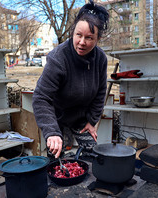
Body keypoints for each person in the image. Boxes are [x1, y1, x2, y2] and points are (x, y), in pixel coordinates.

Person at [32, 0, 109, 159]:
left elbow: (101, 92)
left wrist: (92, 121)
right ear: (72, 32)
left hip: (81, 116)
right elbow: (41, 98)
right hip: (57, 116)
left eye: (89, 38)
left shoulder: (100, 59)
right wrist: (52, 132)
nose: (82, 42)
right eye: (78, 35)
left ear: (97, 39)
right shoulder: (58, 58)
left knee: (91, 153)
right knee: (57, 157)